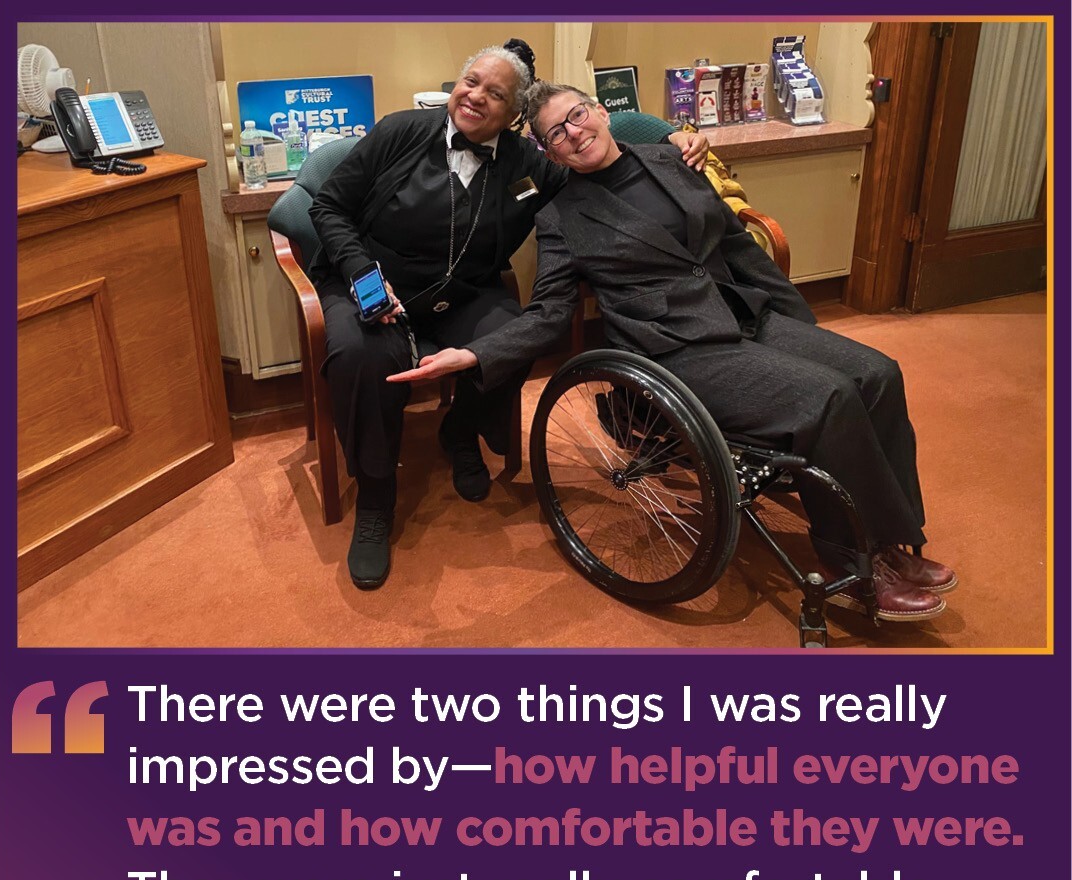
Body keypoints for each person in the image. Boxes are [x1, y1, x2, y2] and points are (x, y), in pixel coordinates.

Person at [390, 81, 958, 622]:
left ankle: (893, 538)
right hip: (677, 349)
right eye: (556, 134)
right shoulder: (560, 219)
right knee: (828, 396)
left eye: (577, 116)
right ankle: (853, 562)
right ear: (552, 154)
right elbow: (549, 314)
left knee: (877, 371)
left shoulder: (670, 161)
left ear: (602, 112)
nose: (573, 133)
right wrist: (475, 354)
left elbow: (738, 246)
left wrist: (800, 327)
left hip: (744, 311)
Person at [308, 42, 709, 589]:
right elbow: (328, 205)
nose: (474, 96)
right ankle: (376, 499)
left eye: (494, 93)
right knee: (360, 355)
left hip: (465, 293)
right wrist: (362, 276)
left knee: (515, 335)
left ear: (516, 115)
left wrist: (672, 134)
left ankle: (460, 429)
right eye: (470, 81)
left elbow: (606, 131)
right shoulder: (399, 131)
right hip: (371, 284)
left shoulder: (533, 164)